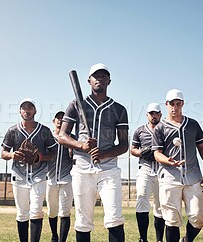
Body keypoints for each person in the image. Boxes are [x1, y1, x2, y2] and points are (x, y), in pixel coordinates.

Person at [58, 63, 129, 242]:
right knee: (83, 221)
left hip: (109, 170)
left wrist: (104, 153)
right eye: (96, 76)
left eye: (104, 76)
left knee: (114, 217)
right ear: (89, 81)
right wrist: (81, 146)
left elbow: (124, 145)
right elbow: (62, 136)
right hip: (82, 168)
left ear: (109, 81)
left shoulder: (119, 109)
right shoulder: (76, 104)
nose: (100, 79)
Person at [151, 89, 203, 242]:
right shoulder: (160, 128)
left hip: (193, 176)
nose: (175, 107)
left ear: (183, 104)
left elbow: (202, 147)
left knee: (199, 216)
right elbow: (157, 153)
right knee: (172, 220)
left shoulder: (193, 124)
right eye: (172, 104)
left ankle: (187, 239)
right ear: (166, 105)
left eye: (178, 104)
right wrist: (169, 161)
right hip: (169, 177)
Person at [1, 98, 57, 242]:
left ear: (35, 110)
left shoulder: (44, 131)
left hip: (39, 174)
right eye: (24, 108)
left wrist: (40, 157)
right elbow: (3, 153)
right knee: (22, 213)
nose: (27, 110)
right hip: (19, 175)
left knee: (36, 211)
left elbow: (53, 153)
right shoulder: (13, 131)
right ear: (20, 111)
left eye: (30, 107)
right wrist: (12, 155)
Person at [131, 103, 165, 242]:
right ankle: (143, 238)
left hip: (162, 169)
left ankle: (159, 239)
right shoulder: (140, 131)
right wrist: (141, 153)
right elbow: (132, 149)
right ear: (147, 115)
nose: (154, 116)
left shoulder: (165, 129)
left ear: (160, 115)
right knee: (142, 200)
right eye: (151, 113)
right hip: (145, 169)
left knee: (160, 205)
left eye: (156, 113)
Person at [46, 111, 75, 242]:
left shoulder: (71, 137)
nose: (60, 120)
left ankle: (62, 240)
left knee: (65, 211)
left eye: (63, 119)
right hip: (50, 178)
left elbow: (77, 158)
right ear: (53, 121)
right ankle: (54, 236)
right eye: (58, 118)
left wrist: (73, 153)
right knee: (52, 211)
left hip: (66, 178)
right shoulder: (47, 137)